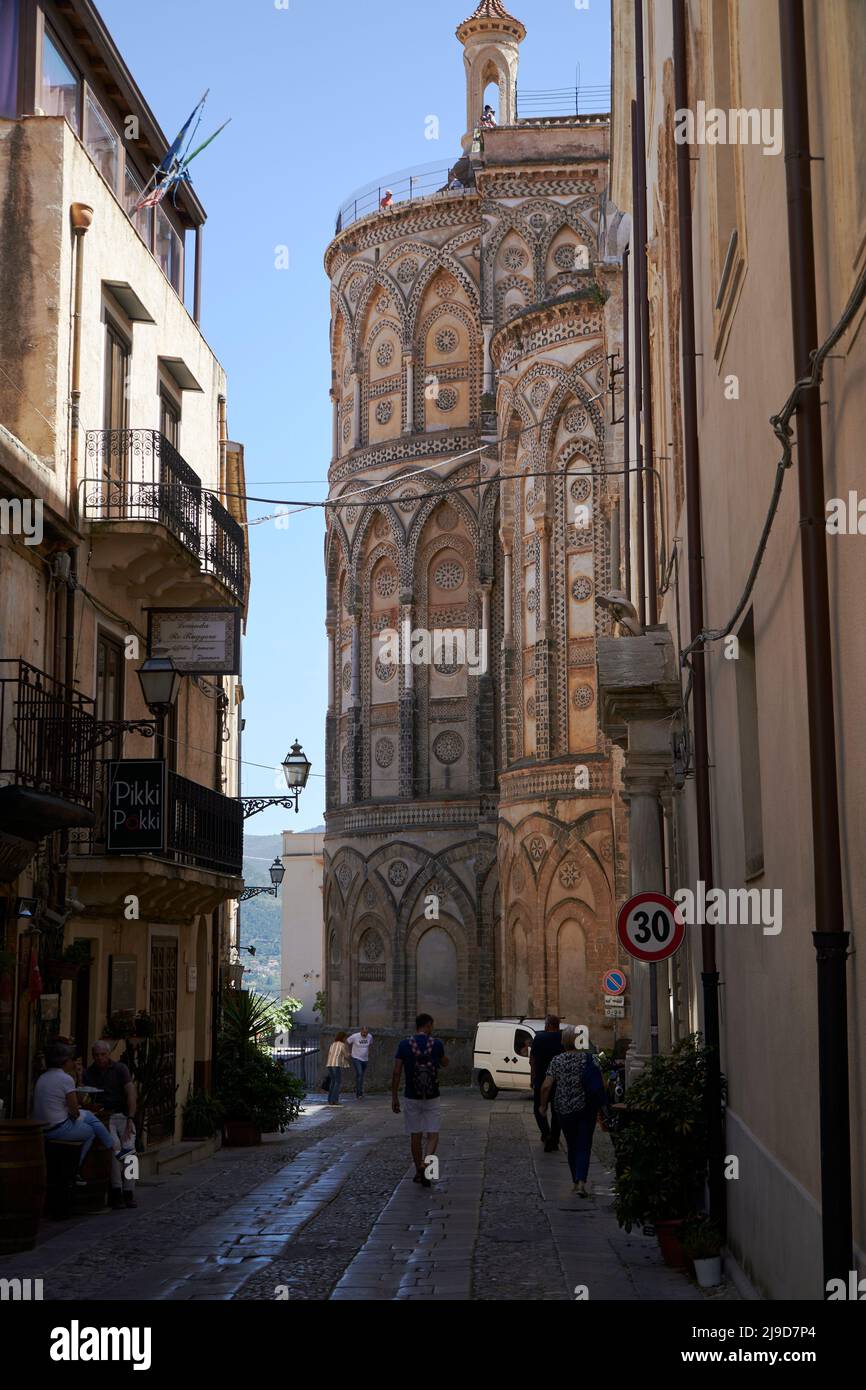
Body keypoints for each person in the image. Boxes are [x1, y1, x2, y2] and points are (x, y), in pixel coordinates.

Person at [33, 1043, 121, 1181]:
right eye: (71, 1060)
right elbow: (74, 1111)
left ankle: (111, 1146)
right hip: (56, 1129)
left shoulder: (43, 1077)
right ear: (65, 1061)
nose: (73, 1063)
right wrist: (78, 1115)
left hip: (41, 1128)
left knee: (89, 1117)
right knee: (90, 1129)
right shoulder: (65, 1079)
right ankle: (77, 1167)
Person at [539, 1026, 607, 1196]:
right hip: (585, 1108)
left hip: (564, 1109)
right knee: (584, 1145)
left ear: (564, 1041)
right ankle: (582, 1181)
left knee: (572, 1145)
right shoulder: (590, 1059)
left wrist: (543, 1106)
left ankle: (575, 1181)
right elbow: (601, 1085)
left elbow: (546, 1086)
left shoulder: (557, 1060)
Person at [392, 1013, 448, 1187]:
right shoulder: (437, 1044)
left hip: (411, 1095)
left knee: (415, 1135)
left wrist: (394, 1096)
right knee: (433, 1134)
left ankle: (419, 1169)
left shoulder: (404, 1044)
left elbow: (396, 1071)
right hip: (432, 1095)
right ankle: (429, 1168)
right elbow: (444, 1063)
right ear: (428, 1025)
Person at [83, 1040, 138, 1210]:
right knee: (115, 1150)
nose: (100, 1058)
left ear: (109, 1054)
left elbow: (130, 1093)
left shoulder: (120, 1069)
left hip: (122, 1116)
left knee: (130, 1152)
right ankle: (117, 1191)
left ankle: (129, 1191)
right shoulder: (89, 1073)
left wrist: (130, 1118)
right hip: (104, 1118)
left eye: (103, 1054)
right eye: (96, 1055)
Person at [530, 1014, 563, 1153]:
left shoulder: (539, 1038)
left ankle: (546, 1132)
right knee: (557, 1112)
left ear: (548, 1025)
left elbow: (533, 1061)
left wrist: (532, 1078)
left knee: (539, 1108)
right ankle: (554, 1140)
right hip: (559, 1081)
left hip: (542, 1079)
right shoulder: (563, 1038)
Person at [346, 1025, 373, 1098]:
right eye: (364, 1032)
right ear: (361, 1031)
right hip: (356, 1058)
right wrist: (348, 1052)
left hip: (365, 1059)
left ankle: (359, 1089)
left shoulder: (370, 1037)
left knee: (360, 1076)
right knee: (360, 1074)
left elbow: (370, 1044)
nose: (365, 1034)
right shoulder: (355, 1036)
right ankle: (359, 1094)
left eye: (366, 1033)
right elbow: (347, 1042)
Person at [325, 1032, 350, 1104]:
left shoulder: (333, 1044)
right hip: (336, 1064)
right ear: (343, 1038)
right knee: (337, 1082)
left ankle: (330, 1099)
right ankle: (334, 1100)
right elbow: (346, 1055)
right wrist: (349, 1053)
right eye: (345, 1037)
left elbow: (329, 1053)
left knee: (333, 1081)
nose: (345, 1039)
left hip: (329, 1064)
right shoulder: (342, 1045)